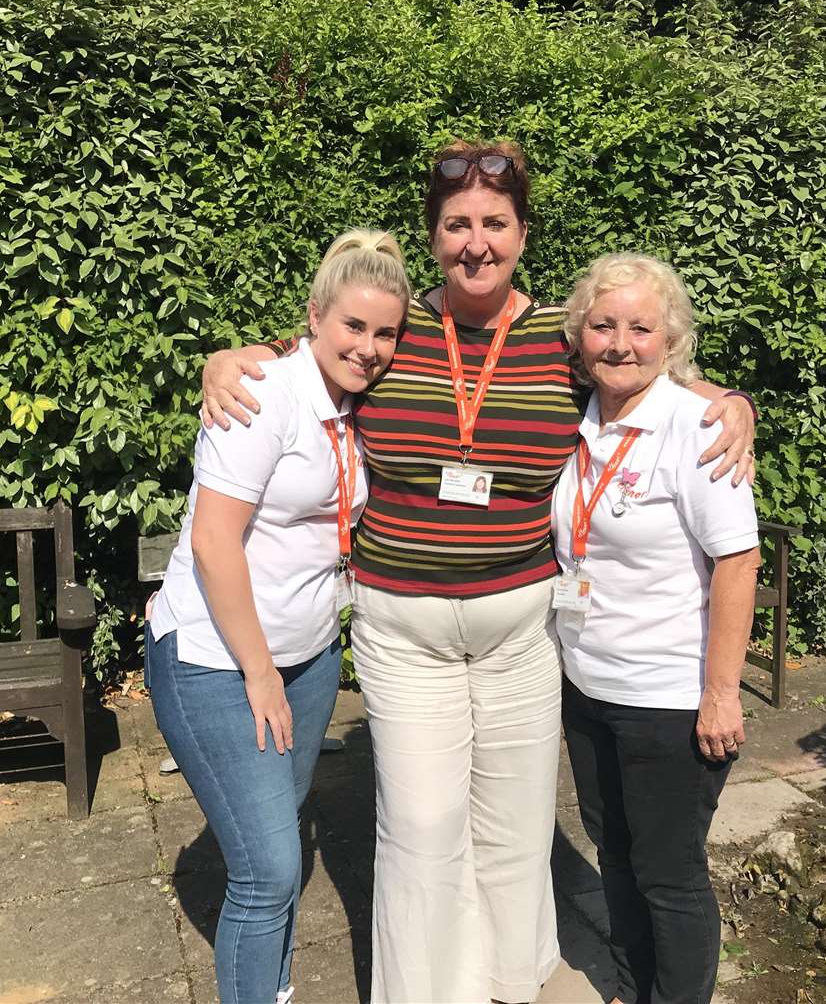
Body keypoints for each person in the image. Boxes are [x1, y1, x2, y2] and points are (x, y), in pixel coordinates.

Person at [199, 141, 757, 1004]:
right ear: (433, 238)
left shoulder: (561, 343)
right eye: (457, 224)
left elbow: (645, 373)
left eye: (494, 223)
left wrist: (733, 402)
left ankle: (508, 979)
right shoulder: (400, 325)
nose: (476, 242)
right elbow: (325, 339)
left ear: (523, 232)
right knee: (422, 827)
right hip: (403, 628)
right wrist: (240, 354)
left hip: (521, 630)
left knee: (516, 825)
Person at [146, 230, 410, 1004]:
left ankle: (275, 985)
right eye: (353, 327)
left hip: (311, 656)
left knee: (283, 841)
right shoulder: (261, 395)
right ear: (315, 319)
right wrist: (258, 671)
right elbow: (213, 539)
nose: (368, 347)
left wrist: (725, 399)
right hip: (217, 661)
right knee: (267, 870)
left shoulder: (353, 405)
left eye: (385, 333)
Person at [552, 253, 761, 1004]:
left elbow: (739, 561)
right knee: (613, 852)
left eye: (641, 327)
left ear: (670, 339)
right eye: (603, 325)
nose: (620, 342)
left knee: (669, 873)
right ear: (579, 337)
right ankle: (635, 985)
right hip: (588, 684)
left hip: (669, 697)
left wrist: (721, 694)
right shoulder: (579, 417)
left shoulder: (695, 426)